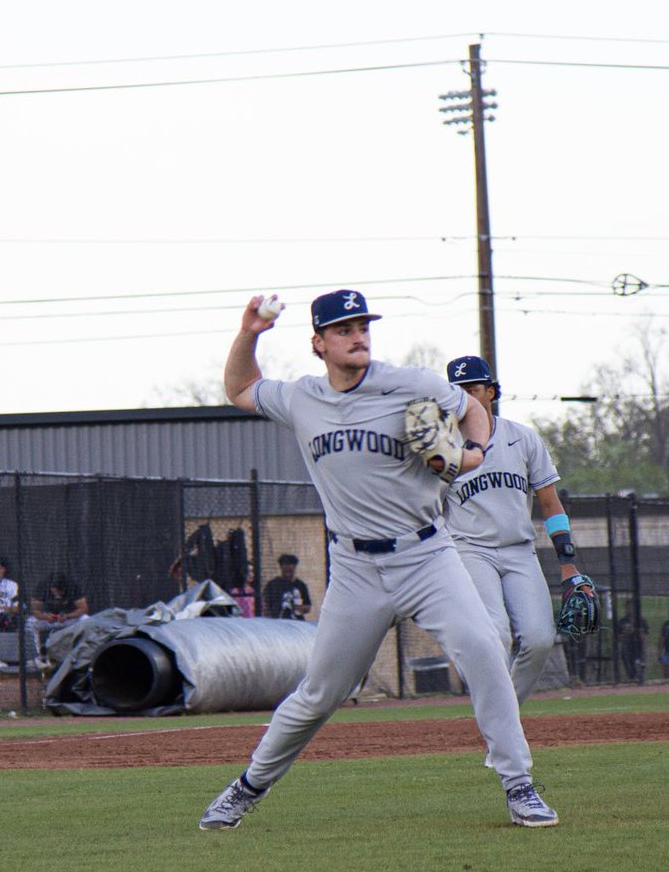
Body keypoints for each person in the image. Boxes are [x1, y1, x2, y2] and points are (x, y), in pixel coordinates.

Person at [199, 288, 559, 831]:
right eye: (343, 329)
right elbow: (240, 388)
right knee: (321, 693)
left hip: (427, 554)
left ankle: (520, 786)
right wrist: (250, 332)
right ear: (319, 343)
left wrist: (474, 454)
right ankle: (246, 788)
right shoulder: (303, 398)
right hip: (355, 569)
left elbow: (472, 410)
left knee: (485, 649)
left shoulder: (411, 384)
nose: (358, 335)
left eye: (362, 325)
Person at [441, 355, 590, 716]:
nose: (464, 397)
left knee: (539, 640)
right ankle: (502, 732)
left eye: (472, 389)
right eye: (456, 391)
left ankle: (499, 719)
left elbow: (551, 504)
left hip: (519, 551)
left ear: (490, 391)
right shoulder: (443, 447)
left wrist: (568, 563)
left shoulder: (522, 439)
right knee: (497, 636)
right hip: (470, 549)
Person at [26, 571, 89, 664]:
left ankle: (83, 655)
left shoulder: (73, 587)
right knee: (30, 623)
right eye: (55, 591)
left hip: (68, 619)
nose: (57, 594)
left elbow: (84, 609)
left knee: (86, 619)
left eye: (60, 591)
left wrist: (67, 616)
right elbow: (35, 610)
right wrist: (44, 617)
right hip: (48, 619)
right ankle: (36, 656)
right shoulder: (42, 587)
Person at [262, 554, 311, 620]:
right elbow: (265, 604)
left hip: (297, 622)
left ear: (294, 568)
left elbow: (308, 606)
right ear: (281, 567)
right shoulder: (273, 584)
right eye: (285, 568)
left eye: (290, 569)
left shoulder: (301, 585)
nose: (287, 571)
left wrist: (297, 608)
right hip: (277, 621)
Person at [618, 599, 649, 683]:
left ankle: (640, 681)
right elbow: (618, 637)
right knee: (629, 668)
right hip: (627, 648)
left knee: (639, 667)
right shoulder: (622, 621)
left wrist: (635, 631)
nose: (628, 609)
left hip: (638, 648)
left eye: (631, 607)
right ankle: (631, 680)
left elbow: (645, 637)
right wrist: (625, 633)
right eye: (627, 607)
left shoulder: (641, 621)